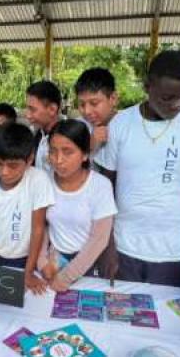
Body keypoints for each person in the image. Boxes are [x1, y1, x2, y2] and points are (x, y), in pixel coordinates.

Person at [96, 50, 180, 293]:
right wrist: (106, 246)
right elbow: (103, 190)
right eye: (167, 97)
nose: (177, 105)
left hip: (175, 253)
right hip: (124, 249)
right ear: (147, 86)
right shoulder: (121, 124)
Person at [0, 123, 54, 294]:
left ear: (29, 160)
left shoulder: (38, 180)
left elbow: (38, 228)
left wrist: (28, 272)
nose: (4, 172)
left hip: (27, 259)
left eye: (13, 166)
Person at [38, 120, 117, 291]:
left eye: (67, 152)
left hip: (88, 266)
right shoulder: (44, 182)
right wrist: (43, 262)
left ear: (85, 154)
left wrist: (66, 277)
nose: (58, 160)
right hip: (54, 263)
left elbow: (99, 239)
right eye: (53, 151)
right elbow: (41, 225)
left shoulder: (100, 186)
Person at [74, 68, 118, 159]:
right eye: (82, 104)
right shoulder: (77, 127)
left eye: (94, 103)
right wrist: (90, 144)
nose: (87, 111)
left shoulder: (127, 126)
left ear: (113, 99)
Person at [25, 80, 61, 175]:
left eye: (32, 109)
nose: (28, 115)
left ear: (52, 109)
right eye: (27, 109)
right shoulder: (37, 136)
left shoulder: (67, 139)